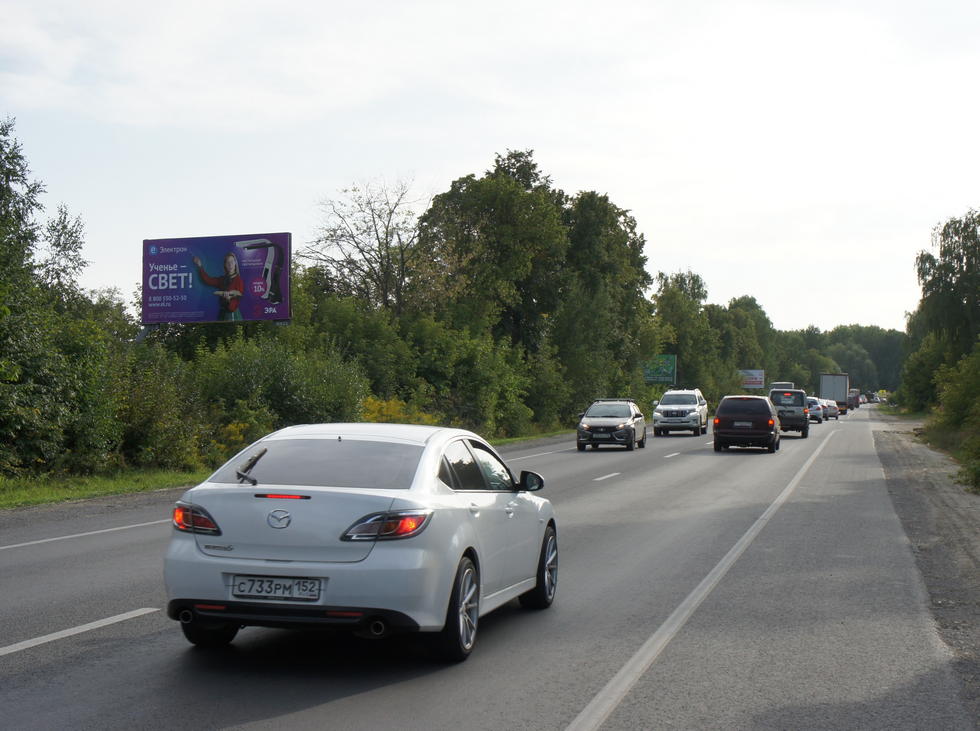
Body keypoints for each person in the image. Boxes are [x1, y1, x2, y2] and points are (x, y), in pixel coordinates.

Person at [193, 252, 244, 321]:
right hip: (222, 313)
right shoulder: (222, 279)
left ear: (235, 263)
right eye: (228, 262)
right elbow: (207, 280)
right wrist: (200, 265)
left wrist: (229, 298)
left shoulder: (238, 280)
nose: (230, 264)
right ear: (225, 265)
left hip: (232, 314)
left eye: (232, 261)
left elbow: (239, 295)